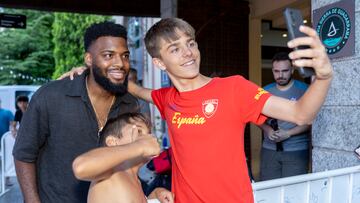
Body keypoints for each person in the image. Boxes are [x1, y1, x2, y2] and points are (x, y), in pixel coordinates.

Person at [64, 18, 333, 202]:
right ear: (159, 62)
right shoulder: (166, 98)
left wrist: (323, 77)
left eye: (190, 43)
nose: (189, 53)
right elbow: (132, 86)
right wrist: (92, 72)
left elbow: (301, 114)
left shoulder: (234, 88)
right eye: (175, 49)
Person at [12, 21, 141, 203]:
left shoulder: (130, 104)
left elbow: (129, 165)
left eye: (125, 55)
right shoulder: (50, 96)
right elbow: (23, 155)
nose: (120, 63)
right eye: (108, 55)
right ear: (89, 59)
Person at [72, 112, 174, 203]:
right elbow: (80, 167)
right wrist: (139, 146)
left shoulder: (138, 183)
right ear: (112, 142)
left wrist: (154, 197)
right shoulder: (112, 172)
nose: (147, 138)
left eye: (148, 134)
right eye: (139, 132)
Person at [259, 52, 311, 181]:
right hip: (269, 149)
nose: (280, 75)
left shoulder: (304, 90)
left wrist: (288, 133)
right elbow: (255, 115)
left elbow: (311, 121)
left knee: (294, 193)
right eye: (276, 71)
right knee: (269, 191)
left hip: (296, 150)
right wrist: (267, 129)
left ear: (292, 70)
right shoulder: (264, 91)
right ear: (272, 71)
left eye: (285, 71)